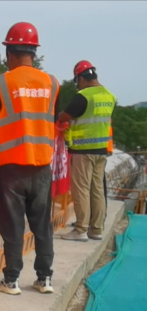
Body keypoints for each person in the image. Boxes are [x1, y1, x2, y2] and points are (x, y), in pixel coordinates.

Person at [0, 22, 59, 296]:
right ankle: (44, 279)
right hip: (42, 166)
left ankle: (11, 280)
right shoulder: (52, 84)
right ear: (33, 53)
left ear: (10, 53)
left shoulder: (2, 83)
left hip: (11, 167)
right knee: (42, 226)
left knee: (12, 226)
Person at [57, 61, 116, 241]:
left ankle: (80, 230)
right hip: (101, 150)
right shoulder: (109, 96)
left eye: (77, 81)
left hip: (83, 150)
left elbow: (64, 117)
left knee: (81, 190)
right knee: (97, 190)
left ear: (81, 79)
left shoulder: (83, 96)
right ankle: (96, 229)